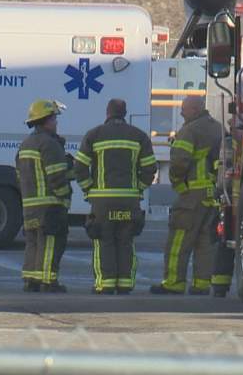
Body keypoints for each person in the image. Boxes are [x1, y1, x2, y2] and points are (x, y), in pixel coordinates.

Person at [74, 99, 158, 295]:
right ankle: (125, 284)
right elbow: (150, 168)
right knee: (126, 240)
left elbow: (79, 167)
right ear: (125, 113)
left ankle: (105, 284)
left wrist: (89, 190)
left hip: (102, 201)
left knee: (104, 241)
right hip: (129, 200)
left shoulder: (94, 135)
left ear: (107, 112)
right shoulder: (139, 136)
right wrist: (138, 189)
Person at [151, 95, 223, 295]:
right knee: (204, 242)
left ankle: (174, 283)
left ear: (195, 109)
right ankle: (201, 285)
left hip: (191, 195)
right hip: (212, 195)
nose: (181, 112)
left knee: (178, 241)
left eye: (184, 109)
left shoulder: (189, 130)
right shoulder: (217, 128)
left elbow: (179, 161)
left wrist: (179, 185)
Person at [17, 99, 73, 293]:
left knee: (32, 243)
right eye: (54, 118)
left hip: (29, 205)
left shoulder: (26, 144)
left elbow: (20, 174)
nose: (56, 122)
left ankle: (31, 279)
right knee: (50, 243)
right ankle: (48, 281)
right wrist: (64, 197)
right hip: (50, 205)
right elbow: (57, 176)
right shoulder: (49, 144)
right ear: (46, 120)